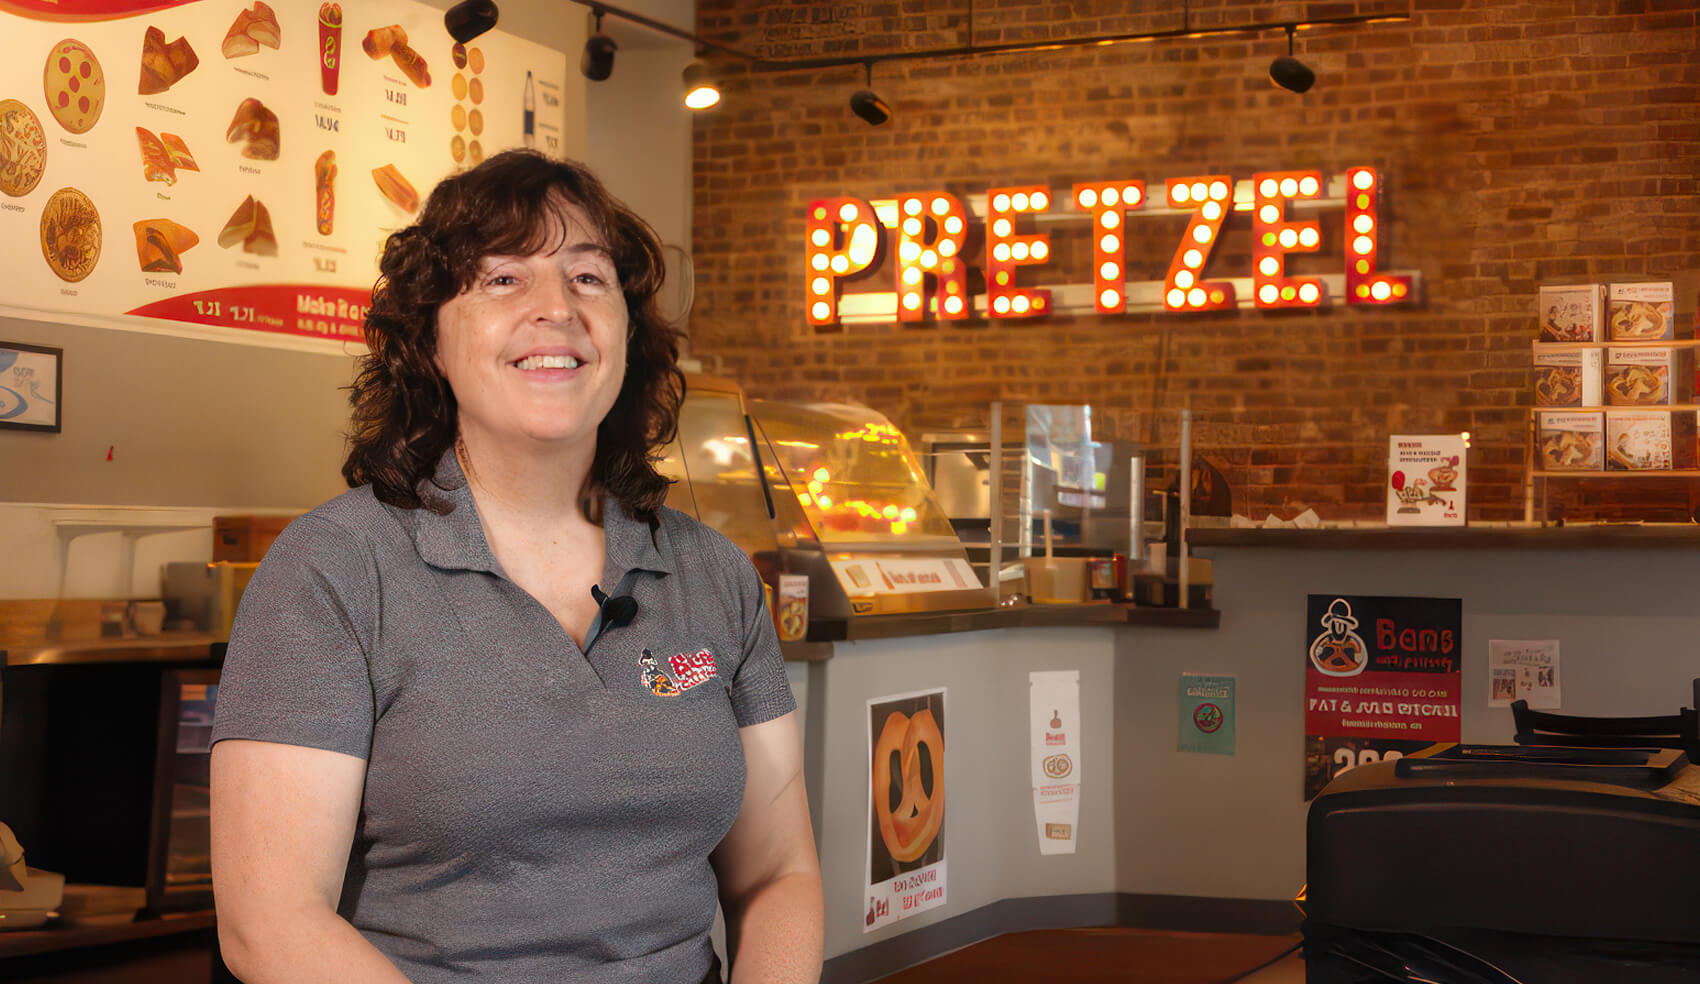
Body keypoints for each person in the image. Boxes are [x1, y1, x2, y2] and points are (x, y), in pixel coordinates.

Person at [209, 150, 823, 983]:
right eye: (503, 279)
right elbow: (270, 924)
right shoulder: (333, 571)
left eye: (588, 277)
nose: (557, 310)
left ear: (628, 330)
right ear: (431, 334)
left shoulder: (711, 574)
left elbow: (778, 874)